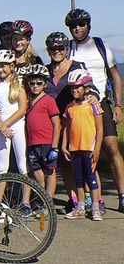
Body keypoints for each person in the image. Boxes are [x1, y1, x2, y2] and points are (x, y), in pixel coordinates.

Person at [65, 8, 124, 213]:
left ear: (88, 25)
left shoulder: (100, 45)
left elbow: (115, 76)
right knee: (82, 152)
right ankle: (91, 198)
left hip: (100, 103)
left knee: (111, 147)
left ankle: (122, 194)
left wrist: (117, 105)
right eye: (73, 26)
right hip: (80, 107)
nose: (77, 28)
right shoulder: (69, 48)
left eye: (81, 24)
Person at [43, 31, 96, 213]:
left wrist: (94, 97)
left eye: (60, 48)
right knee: (64, 161)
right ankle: (73, 198)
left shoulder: (77, 66)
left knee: (83, 160)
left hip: (75, 121)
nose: (56, 51)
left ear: (66, 49)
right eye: (52, 48)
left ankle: (92, 198)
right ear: (48, 50)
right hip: (54, 122)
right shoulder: (46, 70)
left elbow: (91, 86)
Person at [0, 50, 30, 206]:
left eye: (3, 66)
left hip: (17, 125)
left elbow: (22, 108)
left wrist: (6, 124)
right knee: (1, 165)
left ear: (12, 66)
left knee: (21, 164)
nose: (0, 70)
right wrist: (0, 126)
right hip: (0, 128)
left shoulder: (19, 84)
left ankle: (25, 201)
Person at [62, 69, 104, 221]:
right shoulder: (69, 107)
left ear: (86, 88)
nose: (74, 90)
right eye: (72, 87)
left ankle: (95, 207)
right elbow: (67, 128)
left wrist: (97, 148)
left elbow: (100, 129)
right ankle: (80, 207)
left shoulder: (93, 105)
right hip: (75, 148)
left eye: (77, 87)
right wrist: (64, 146)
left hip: (89, 148)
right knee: (78, 179)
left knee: (91, 178)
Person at [24, 64, 60, 199]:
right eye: (32, 83)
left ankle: (48, 200)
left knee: (50, 171)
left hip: (47, 142)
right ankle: (42, 197)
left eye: (39, 83)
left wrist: (54, 147)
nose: (35, 86)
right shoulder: (29, 101)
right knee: (37, 171)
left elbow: (57, 124)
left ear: (45, 84)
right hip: (33, 142)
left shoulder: (49, 100)